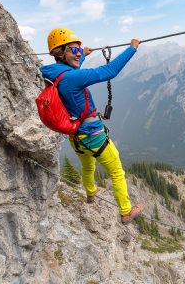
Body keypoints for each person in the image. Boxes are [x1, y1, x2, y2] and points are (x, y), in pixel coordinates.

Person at [40, 27, 143, 224]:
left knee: (88, 168)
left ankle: (90, 195)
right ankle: (126, 211)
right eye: (74, 50)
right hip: (94, 136)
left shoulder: (54, 74)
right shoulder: (72, 77)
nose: (78, 54)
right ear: (61, 53)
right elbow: (109, 71)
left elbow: (69, 71)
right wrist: (132, 48)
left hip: (76, 138)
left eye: (79, 50)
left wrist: (82, 55)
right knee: (117, 172)